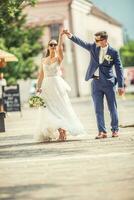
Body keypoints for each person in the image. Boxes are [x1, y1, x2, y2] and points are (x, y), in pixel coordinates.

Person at [63, 30, 125, 139]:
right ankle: (102, 131)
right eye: (95, 39)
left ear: (105, 40)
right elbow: (82, 42)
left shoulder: (113, 52)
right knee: (98, 109)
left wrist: (121, 85)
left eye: (98, 40)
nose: (95, 41)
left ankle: (115, 130)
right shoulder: (93, 47)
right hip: (96, 82)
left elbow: (119, 69)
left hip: (109, 83)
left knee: (112, 108)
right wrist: (70, 36)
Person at [35, 30, 86, 142]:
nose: (53, 46)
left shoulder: (58, 58)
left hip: (57, 86)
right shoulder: (43, 60)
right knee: (49, 109)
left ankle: (63, 131)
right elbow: (40, 76)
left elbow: (60, 49)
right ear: (48, 47)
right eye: (51, 44)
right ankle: (60, 131)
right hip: (46, 87)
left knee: (60, 108)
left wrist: (60, 36)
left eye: (54, 45)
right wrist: (38, 87)